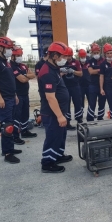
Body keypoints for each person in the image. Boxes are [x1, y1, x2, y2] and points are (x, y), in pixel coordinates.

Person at [38, 41, 72, 173]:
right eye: (62, 57)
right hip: (52, 113)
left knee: (60, 135)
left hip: (60, 110)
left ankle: (57, 155)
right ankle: (47, 162)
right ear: (54, 56)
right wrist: (59, 116)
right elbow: (50, 97)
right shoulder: (47, 72)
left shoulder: (54, 68)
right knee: (53, 136)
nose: (65, 59)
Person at [0, 36, 21, 164]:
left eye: (10, 48)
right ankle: (8, 153)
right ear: (0, 47)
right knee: (8, 126)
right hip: (3, 98)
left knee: (10, 123)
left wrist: (15, 95)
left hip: (11, 96)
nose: (10, 51)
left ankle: (9, 148)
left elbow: (10, 80)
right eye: (7, 48)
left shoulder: (6, 62)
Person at [10, 46, 37, 145]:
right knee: (17, 116)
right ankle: (15, 136)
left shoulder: (23, 66)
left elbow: (32, 75)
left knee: (25, 114)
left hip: (25, 94)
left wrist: (25, 76)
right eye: (17, 55)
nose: (19, 57)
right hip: (18, 95)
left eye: (20, 55)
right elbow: (22, 79)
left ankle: (24, 131)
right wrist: (26, 76)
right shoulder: (11, 66)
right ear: (12, 56)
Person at [60, 47, 83, 129]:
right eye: (66, 56)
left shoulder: (76, 62)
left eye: (69, 55)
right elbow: (57, 74)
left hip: (75, 86)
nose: (68, 57)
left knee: (78, 103)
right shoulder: (61, 62)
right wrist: (62, 72)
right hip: (65, 87)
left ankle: (79, 120)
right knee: (66, 104)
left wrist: (72, 71)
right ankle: (68, 122)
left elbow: (80, 73)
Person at [87, 43, 106, 121]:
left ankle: (100, 118)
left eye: (97, 52)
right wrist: (100, 70)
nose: (96, 54)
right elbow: (91, 71)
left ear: (99, 52)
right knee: (92, 103)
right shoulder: (90, 61)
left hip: (103, 86)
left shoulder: (104, 60)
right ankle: (90, 119)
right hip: (93, 85)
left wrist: (97, 70)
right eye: (94, 53)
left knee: (102, 103)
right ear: (92, 53)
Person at [78, 49, 90, 118]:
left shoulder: (89, 63)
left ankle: (90, 114)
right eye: (81, 57)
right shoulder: (77, 63)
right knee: (80, 102)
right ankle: (80, 115)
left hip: (89, 85)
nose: (83, 58)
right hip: (80, 85)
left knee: (90, 101)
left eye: (84, 56)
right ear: (79, 57)